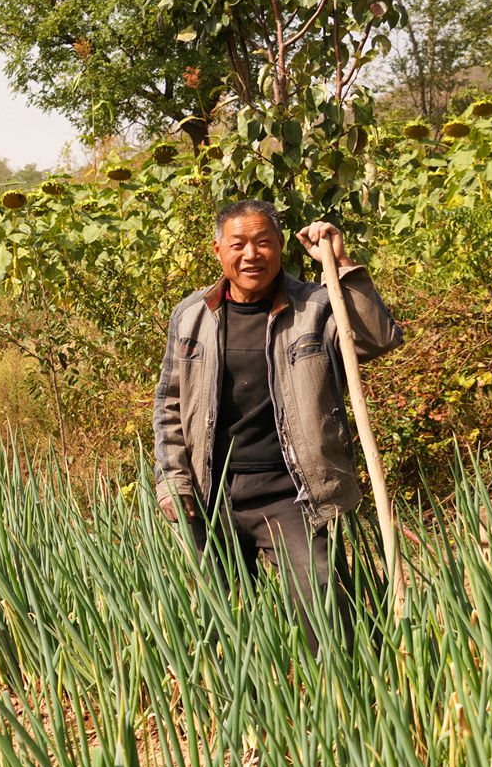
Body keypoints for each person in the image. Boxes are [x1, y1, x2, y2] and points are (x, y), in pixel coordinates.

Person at [152, 199, 402, 648]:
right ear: (217, 251)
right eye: (239, 244)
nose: (252, 254)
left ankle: (341, 699)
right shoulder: (192, 316)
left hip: (292, 491)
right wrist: (172, 480)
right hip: (213, 494)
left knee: (321, 611)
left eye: (263, 242)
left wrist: (341, 264)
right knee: (225, 624)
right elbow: (170, 405)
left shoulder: (316, 306)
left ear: (281, 246)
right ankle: (243, 710)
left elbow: (378, 338)